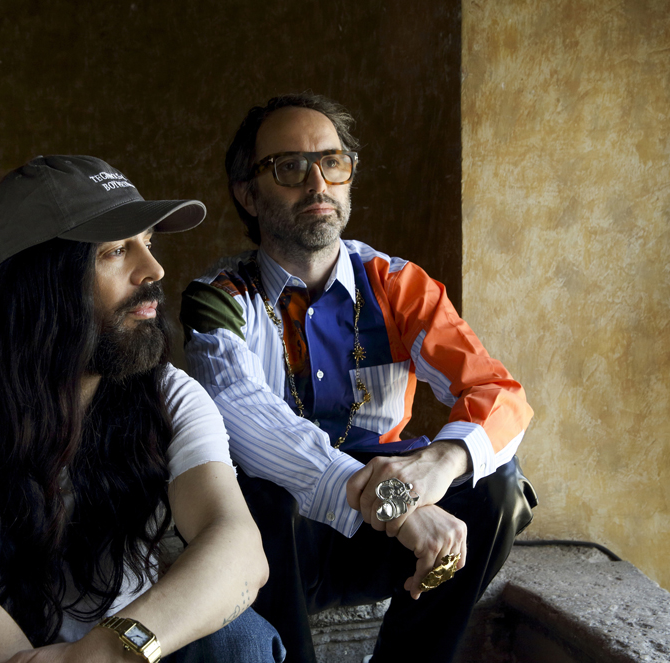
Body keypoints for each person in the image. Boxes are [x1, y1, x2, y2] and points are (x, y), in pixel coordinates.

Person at [0, 155, 284, 663]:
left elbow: (238, 547)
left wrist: (108, 650)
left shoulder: (170, 394)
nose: (154, 269)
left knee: (240, 639)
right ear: (41, 283)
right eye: (116, 251)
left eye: (149, 243)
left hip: (127, 651)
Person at [180, 94, 537, 662]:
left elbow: (499, 394)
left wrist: (436, 466)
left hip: (381, 544)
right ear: (247, 193)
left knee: (497, 486)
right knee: (256, 493)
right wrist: (392, 501)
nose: (317, 183)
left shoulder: (396, 285)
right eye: (290, 167)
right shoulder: (219, 299)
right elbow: (239, 409)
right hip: (280, 547)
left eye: (333, 162)